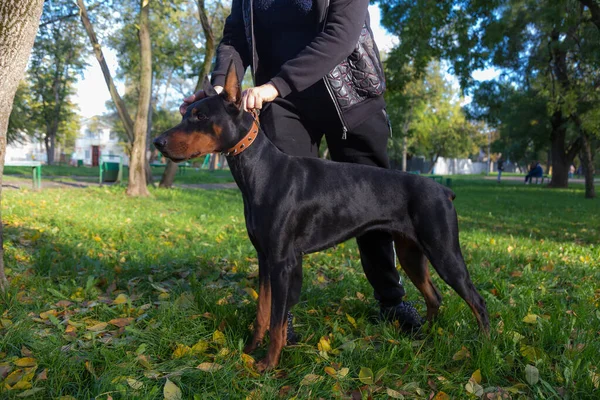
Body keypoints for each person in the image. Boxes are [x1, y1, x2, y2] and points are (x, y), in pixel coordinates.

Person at [180, 0, 422, 330]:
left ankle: (391, 300)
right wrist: (221, 88)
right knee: (281, 209)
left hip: (350, 97)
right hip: (282, 104)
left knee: (377, 203)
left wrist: (274, 85)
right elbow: (235, 35)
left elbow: (341, 34)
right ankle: (283, 313)